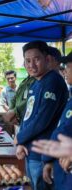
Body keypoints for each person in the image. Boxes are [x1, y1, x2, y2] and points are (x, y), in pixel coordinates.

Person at [15, 41, 68, 190]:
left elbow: (41, 120)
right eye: (27, 60)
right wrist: (21, 142)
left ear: (47, 59)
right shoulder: (36, 82)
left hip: (43, 153)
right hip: (30, 151)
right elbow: (29, 116)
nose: (31, 64)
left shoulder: (53, 81)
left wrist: (19, 137)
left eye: (36, 59)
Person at [32, 52, 72, 190]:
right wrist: (48, 160)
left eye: (67, 66)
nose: (64, 70)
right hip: (61, 169)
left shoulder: (53, 82)